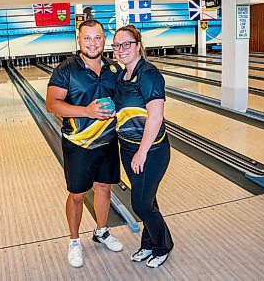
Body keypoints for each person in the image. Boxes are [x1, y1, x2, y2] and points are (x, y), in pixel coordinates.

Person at [46, 19, 123, 268]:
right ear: (78, 40)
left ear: (104, 40)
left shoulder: (114, 69)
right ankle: (74, 240)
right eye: (87, 38)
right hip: (78, 143)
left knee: (104, 188)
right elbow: (52, 104)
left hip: (108, 141)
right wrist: (86, 111)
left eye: (97, 37)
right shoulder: (66, 69)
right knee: (77, 195)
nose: (93, 43)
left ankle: (101, 231)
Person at [112, 24, 174, 268]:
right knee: (148, 201)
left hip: (152, 151)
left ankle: (163, 245)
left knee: (140, 204)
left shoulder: (148, 74)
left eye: (126, 44)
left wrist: (142, 152)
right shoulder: (121, 74)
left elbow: (155, 117)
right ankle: (148, 244)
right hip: (127, 149)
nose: (121, 49)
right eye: (117, 45)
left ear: (138, 45)